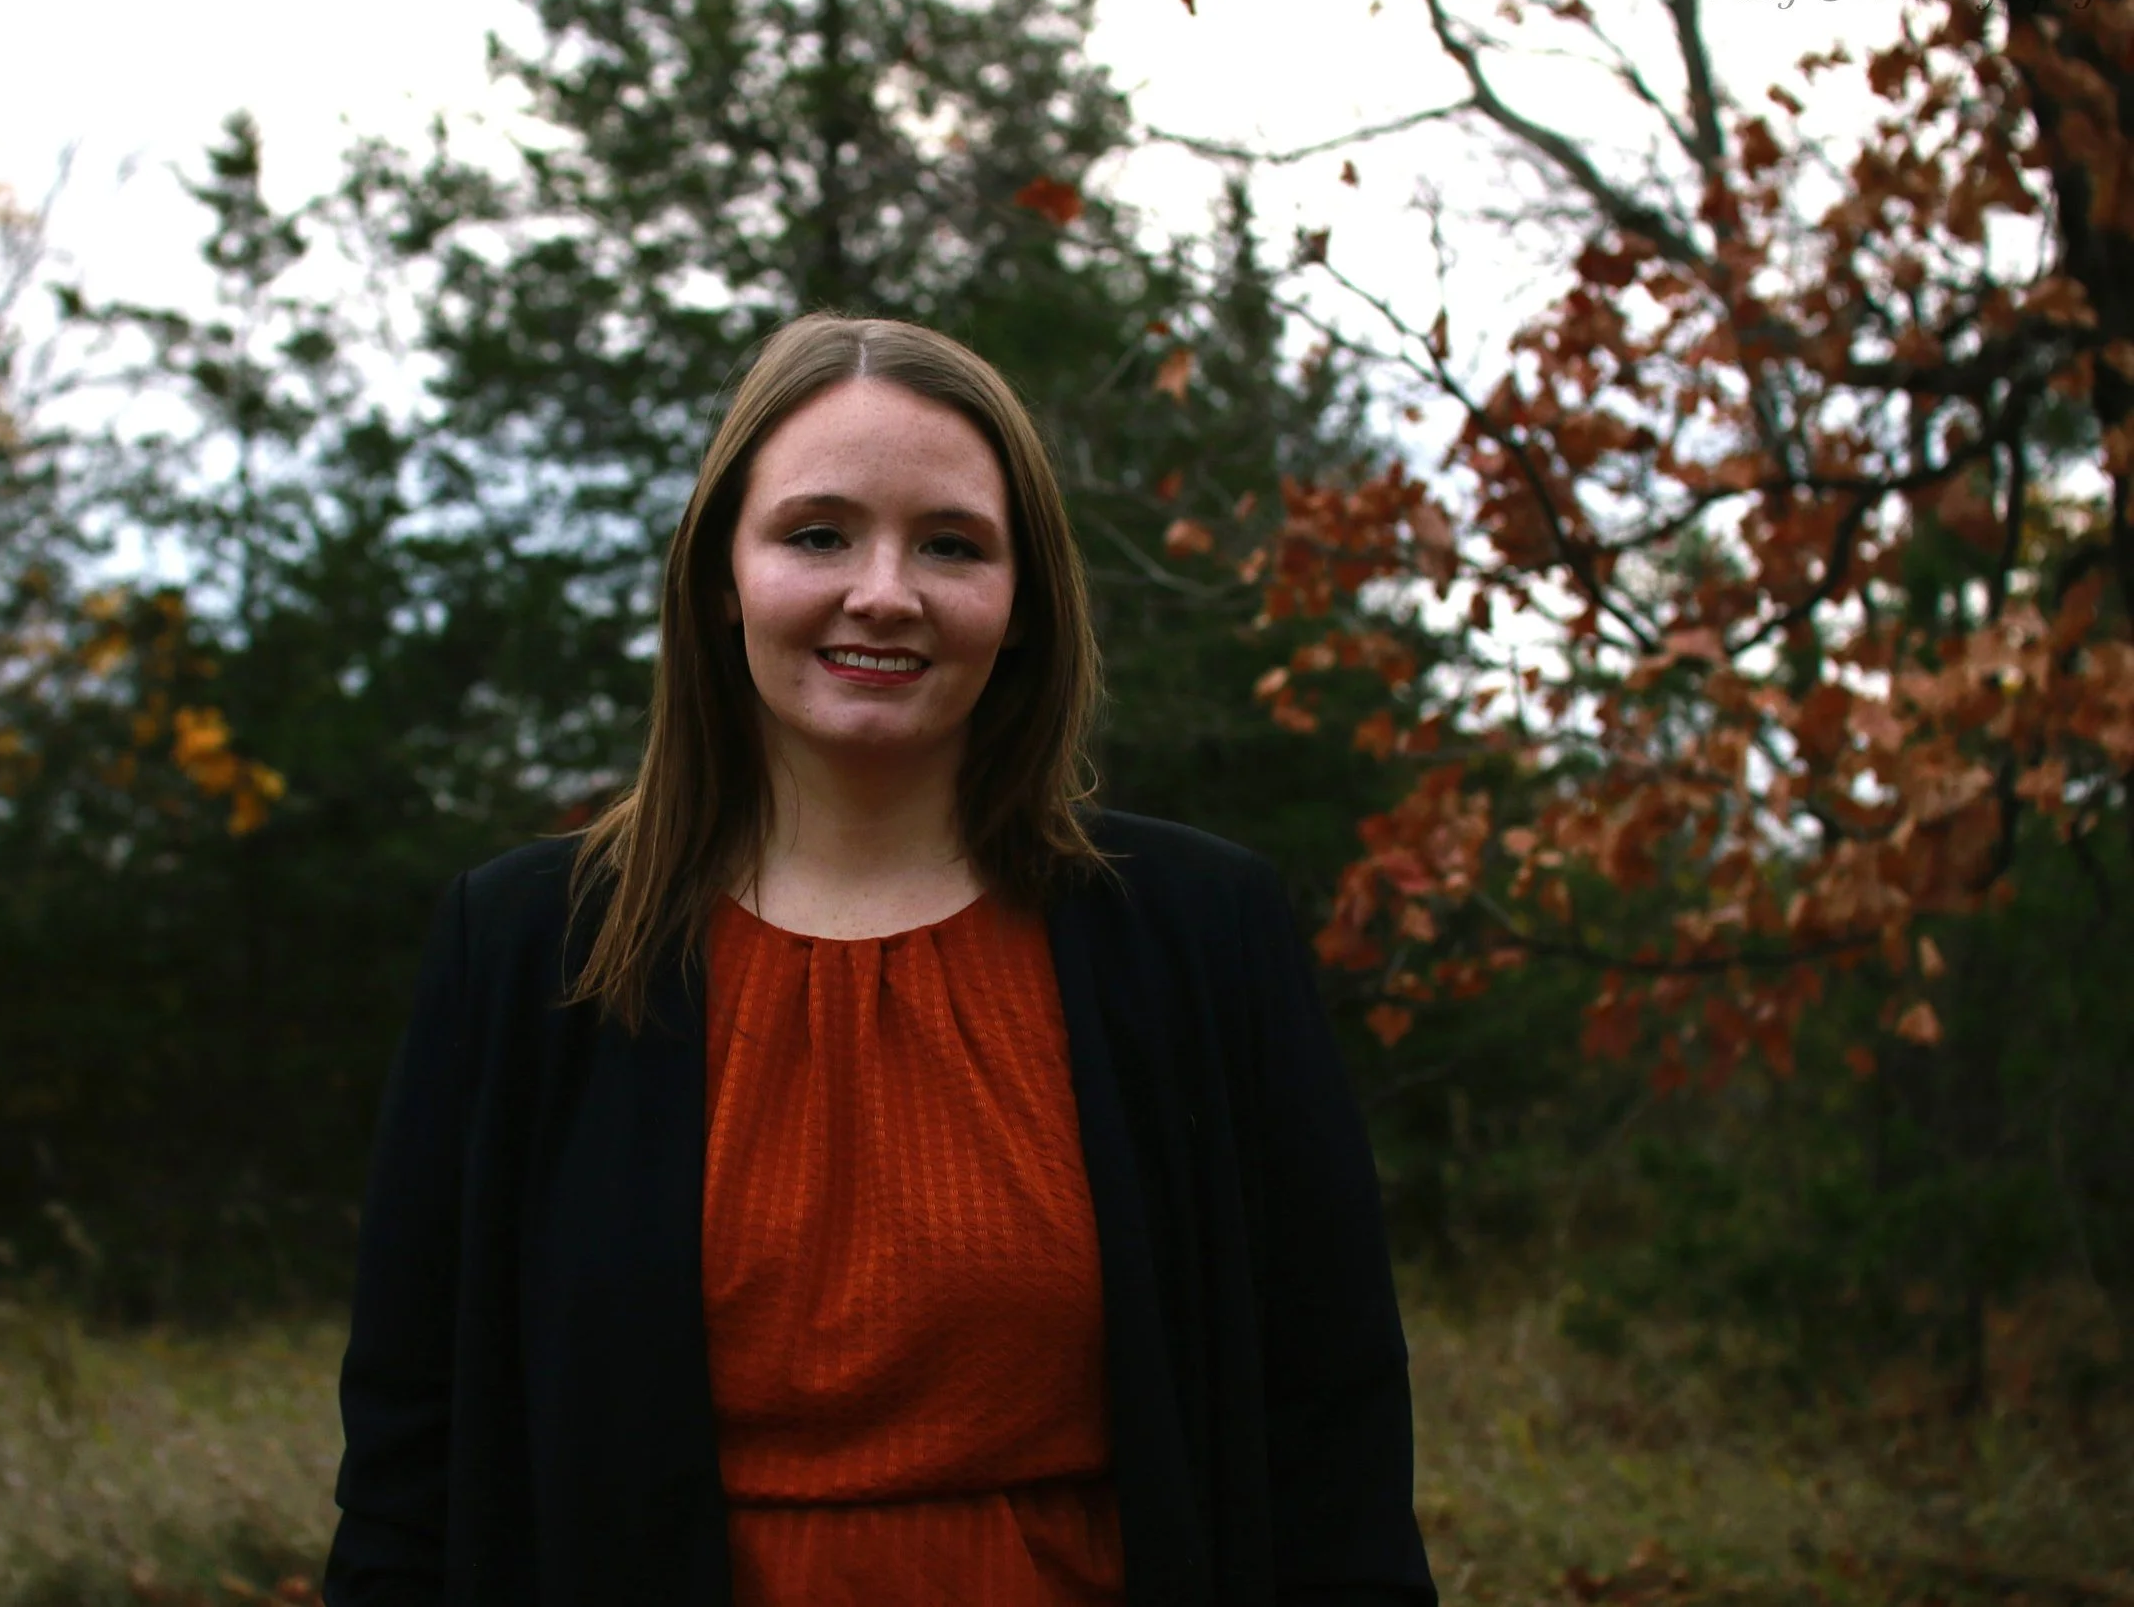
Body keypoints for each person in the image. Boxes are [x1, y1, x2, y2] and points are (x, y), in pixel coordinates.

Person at [324, 314, 1438, 1607]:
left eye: (952, 544)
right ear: (720, 576)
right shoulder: (529, 945)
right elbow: (412, 1449)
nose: (885, 592)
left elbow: (1333, 1428)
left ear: (1021, 605)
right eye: (818, 534)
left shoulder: (1197, 934)